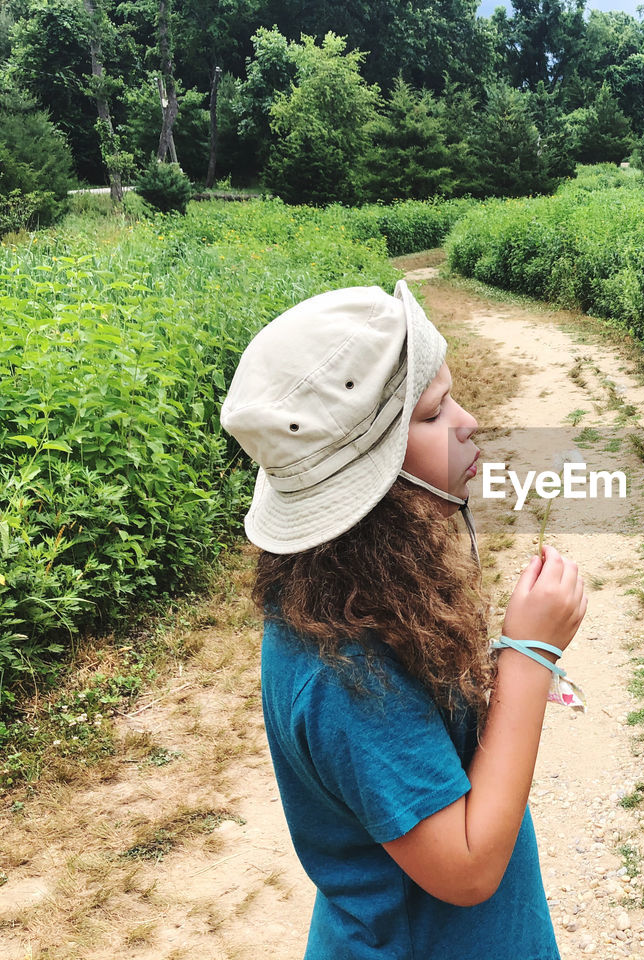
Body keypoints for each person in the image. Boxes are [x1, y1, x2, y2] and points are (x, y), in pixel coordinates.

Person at [219, 280, 585, 959]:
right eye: (434, 412)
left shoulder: (362, 594)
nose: (468, 421)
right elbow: (469, 867)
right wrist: (530, 654)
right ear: (371, 478)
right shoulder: (345, 669)